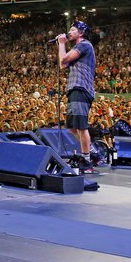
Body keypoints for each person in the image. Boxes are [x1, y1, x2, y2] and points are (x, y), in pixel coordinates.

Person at [57, 21, 97, 173]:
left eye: (73, 29)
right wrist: (61, 45)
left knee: (81, 126)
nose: (69, 31)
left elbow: (64, 59)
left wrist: (62, 43)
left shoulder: (85, 44)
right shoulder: (77, 47)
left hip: (81, 88)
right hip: (74, 88)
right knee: (72, 127)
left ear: (81, 33)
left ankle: (87, 161)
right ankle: (93, 153)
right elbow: (63, 65)